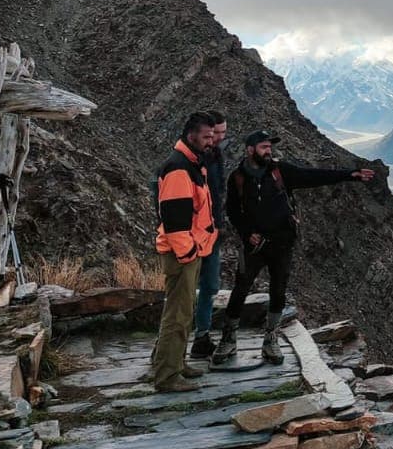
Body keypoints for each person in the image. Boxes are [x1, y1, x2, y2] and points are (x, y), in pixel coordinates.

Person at [214, 130, 375, 364]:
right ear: (250, 150)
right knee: (241, 289)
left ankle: (271, 340)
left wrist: (351, 174)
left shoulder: (281, 171)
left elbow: (313, 176)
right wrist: (247, 233)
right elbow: (232, 211)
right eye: (263, 147)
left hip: (282, 244)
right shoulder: (237, 178)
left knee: (278, 291)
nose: (268, 151)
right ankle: (228, 339)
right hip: (254, 247)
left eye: (269, 147)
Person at [152, 111, 219, 391]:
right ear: (191, 135)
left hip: (190, 251)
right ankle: (167, 377)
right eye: (206, 137)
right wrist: (188, 254)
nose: (211, 142)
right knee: (177, 314)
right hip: (183, 254)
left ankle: (176, 364)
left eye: (213, 137)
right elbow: (175, 220)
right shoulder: (179, 169)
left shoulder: (191, 164)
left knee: (184, 310)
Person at [190, 110, 229, 358]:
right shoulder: (189, 161)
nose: (220, 138)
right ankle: (165, 346)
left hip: (212, 233)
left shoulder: (215, 156)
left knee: (210, 286)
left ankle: (201, 337)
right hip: (192, 234)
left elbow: (218, 193)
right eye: (217, 133)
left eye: (224, 133)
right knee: (184, 291)